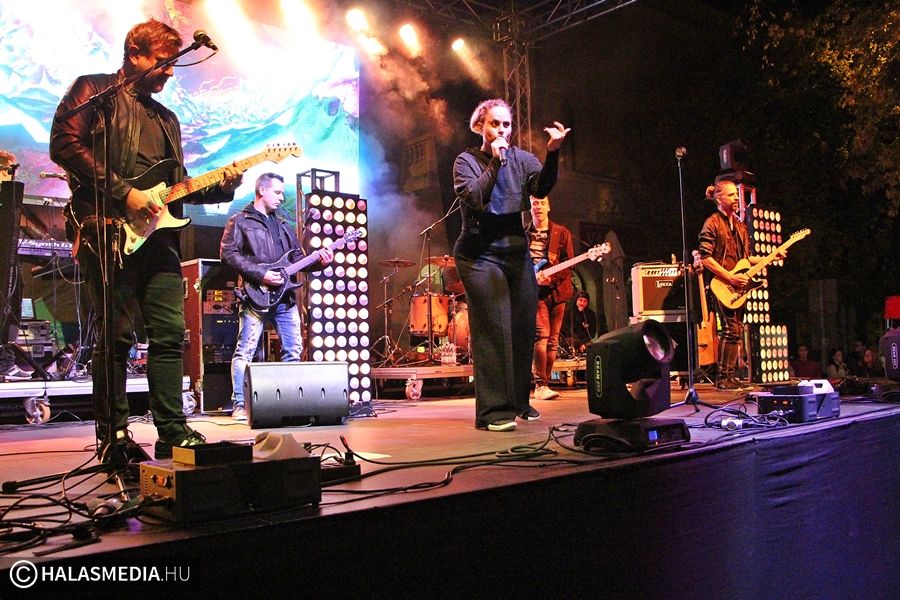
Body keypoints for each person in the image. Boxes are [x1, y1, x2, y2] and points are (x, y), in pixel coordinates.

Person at [50, 20, 244, 463]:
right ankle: (114, 436)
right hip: (106, 229)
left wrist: (223, 186)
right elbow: (64, 144)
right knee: (116, 337)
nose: (171, 71)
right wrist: (124, 192)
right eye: (163, 61)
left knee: (170, 334)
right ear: (134, 54)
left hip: (160, 239)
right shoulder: (93, 91)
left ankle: (172, 431)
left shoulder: (167, 119)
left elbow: (177, 185)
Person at [453, 98, 569, 431]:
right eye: (495, 124)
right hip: (479, 253)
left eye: (506, 124)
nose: (502, 130)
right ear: (480, 126)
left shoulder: (523, 159)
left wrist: (553, 152)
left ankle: (519, 401)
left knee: (522, 326)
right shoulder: (466, 161)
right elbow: (475, 197)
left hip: (515, 250)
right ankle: (493, 412)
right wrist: (495, 159)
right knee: (494, 327)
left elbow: (540, 187)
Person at [220, 173, 333, 421]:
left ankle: (289, 403)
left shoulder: (283, 226)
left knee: (293, 349)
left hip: (285, 298)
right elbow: (228, 254)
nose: (282, 198)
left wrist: (320, 262)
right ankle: (240, 404)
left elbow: (297, 260)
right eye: (278, 192)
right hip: (255, 295)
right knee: (245, 351)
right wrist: (261, 275)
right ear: (262, 190)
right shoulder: (240, 221)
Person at [698, 179, 784, 390]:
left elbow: (747, 259)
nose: (736, 198)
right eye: (731, 195)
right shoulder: (712, 223)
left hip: (737, 284)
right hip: (721, 283)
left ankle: (729, 376)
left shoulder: (740, 226)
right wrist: (729, 277)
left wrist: (772, 256)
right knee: (730, 329)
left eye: (736, 194)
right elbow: (705, 258)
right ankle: (723, 377)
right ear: (719, 198)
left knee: (736, 330)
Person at [525, 195, 574, 400]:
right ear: (530, 208)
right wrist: (530, 276)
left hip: (558, 291)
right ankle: (540, 384)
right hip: (535, 292)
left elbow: (568, 263)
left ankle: (544, 383)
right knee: (541, 335)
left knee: (553, 340)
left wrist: (550, 278)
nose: (539, 207)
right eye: (535, 203)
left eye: (542, 203)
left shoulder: (561, 233)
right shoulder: (524, 234)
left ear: (549, 207)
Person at [566, 290, 597, 355]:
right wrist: (579, 343)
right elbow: (567, 331)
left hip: (585, 341)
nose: (582, 303)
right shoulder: (568, 312)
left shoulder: (591, 314)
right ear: (576, 300)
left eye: (585, 301)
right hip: (571, 340)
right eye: (580, 300)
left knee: (592, 348)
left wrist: (583, 343)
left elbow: (592, 332)